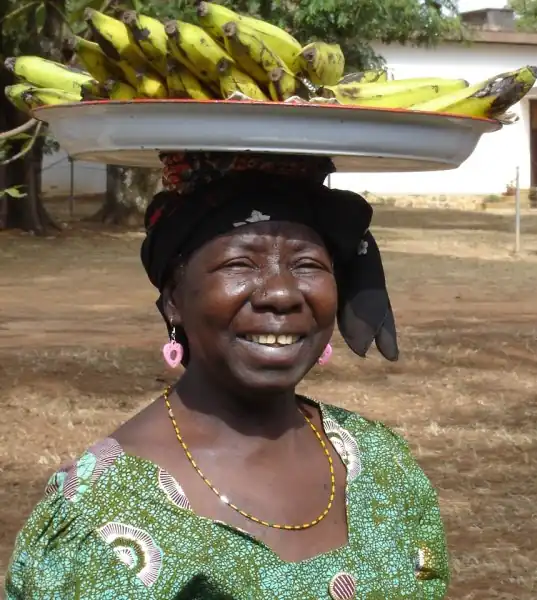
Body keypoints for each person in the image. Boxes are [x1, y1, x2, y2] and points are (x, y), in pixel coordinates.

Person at [5, 152, 449, 599]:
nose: (281, 294)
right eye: (240, 264)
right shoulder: (105, 518)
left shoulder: (380, 465)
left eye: (307, 265)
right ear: (173, 299)